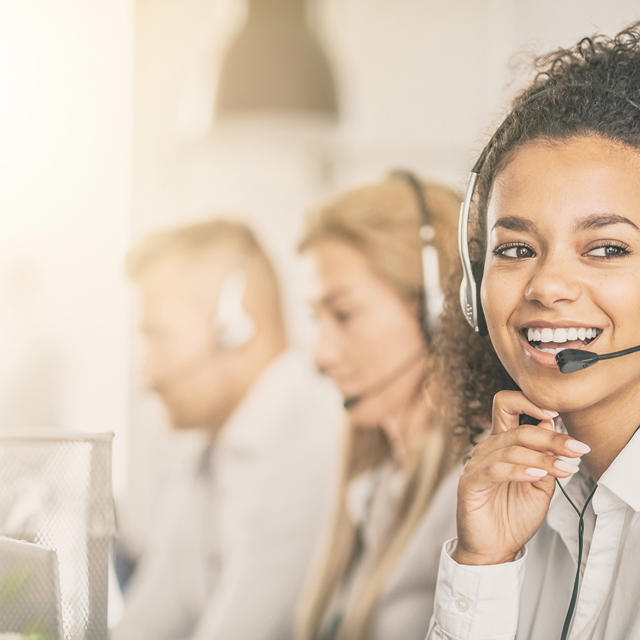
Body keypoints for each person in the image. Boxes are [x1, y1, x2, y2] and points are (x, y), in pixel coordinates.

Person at [427, 21, 640, 640]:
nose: (547, 286)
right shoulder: (527, 503)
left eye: (605, 248)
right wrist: (482, 567)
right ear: (475, 284)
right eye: (516, 249)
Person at [113, 219, 341, 640]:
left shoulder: (309, 442)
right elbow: (149, 619)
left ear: (235, 326)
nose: (145, 371)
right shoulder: (211, 444)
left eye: (158, 337)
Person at [296, 172, 464, 640]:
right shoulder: (376, 484)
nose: (320, 355)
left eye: (344, 314)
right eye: (316, 318)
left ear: (439, 311)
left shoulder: (475, 497)